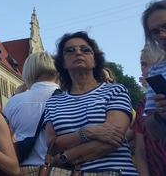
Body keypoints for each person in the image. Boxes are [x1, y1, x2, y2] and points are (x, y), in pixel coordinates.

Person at [44, 31, 137, 175]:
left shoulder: (115, 91)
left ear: (95, 60)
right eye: (70, 50)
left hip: (116, 171)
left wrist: (64, 157)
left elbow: (113, 138)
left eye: (85, 49)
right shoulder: (53, 102)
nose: (78, 53)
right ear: (63, 62)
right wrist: (87, 132)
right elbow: (52, 145)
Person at [4, 52, 60, 175]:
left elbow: (4, 138)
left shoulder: (15, 101)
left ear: (29, 72)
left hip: (25, 169)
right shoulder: (68, 98)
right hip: (60, 169)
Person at [143, 0, 166, 170]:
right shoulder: (157, 71)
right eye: (155, 32)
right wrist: (163, 115)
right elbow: (153, 132)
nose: (163, 35)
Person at [132, 46, 166, 176]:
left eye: (156, 64)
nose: (149, 70)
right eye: (144, 65)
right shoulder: (142, 105)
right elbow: (140, 150)